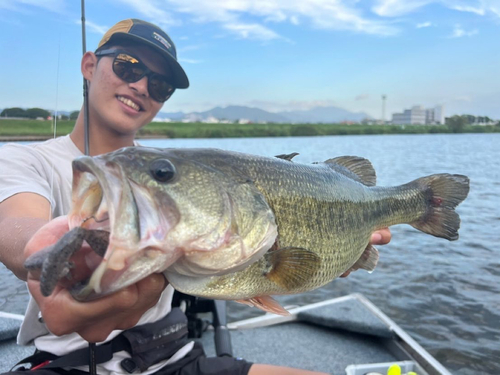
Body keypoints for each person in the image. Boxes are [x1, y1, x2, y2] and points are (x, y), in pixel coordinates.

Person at [0, 19, 392, 375]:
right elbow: (14, 227)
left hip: (174, 355)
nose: (140, 85)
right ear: (89, 65)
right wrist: (47, 248)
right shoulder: (24, 160)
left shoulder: (194, 176)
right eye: (128, 65)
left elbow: (243, 259)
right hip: (64, 365)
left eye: (159, 84)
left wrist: (331, 253)